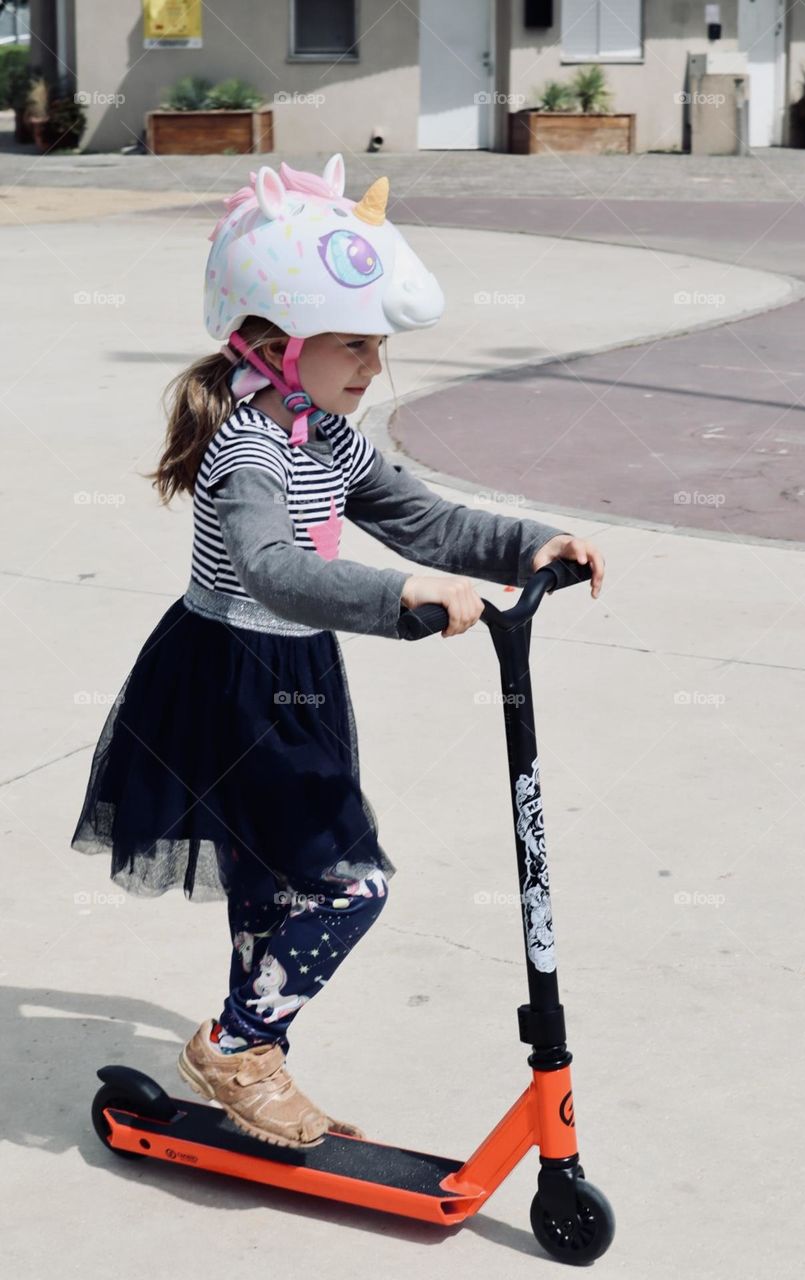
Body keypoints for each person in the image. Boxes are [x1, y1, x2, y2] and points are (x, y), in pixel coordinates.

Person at [70, 154, 605, 1151]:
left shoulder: (323, 432)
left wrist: (522, 543)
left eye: (376, 344)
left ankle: (243, 1053)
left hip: (294, 673)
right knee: (349, 884)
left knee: (273, 885)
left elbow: (417, 515)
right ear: (277, 341)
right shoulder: (250, 451)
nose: (372, 364)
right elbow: (274, 569)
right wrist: (397, 595)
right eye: (351, 343)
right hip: (235, 678)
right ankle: (239, 1043)